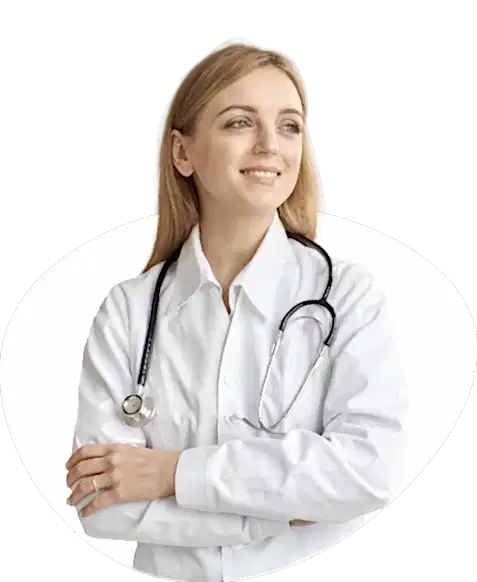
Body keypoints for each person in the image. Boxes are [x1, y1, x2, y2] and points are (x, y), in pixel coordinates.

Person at [65, 36, 411, 582]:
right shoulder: (128, 311)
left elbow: (369, 471)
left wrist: (173, 474)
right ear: (182, 153)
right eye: (240, 123)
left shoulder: (347, 297)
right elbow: (102, 505)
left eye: (290, 125)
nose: (270, 145)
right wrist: (281, 514)